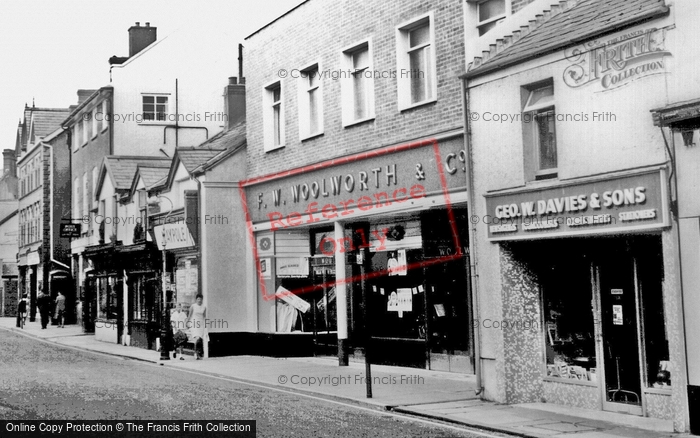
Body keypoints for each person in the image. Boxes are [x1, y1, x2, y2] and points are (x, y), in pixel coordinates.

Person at [187, 294, 207, 360]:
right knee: (197, 338)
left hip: (201, 324)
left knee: (199, 339)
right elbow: (189, 315)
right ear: (196, 300)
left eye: (201, 299)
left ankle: (198, 353)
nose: (199, 300)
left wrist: (205, 325)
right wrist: (187, 322)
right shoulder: (193, 306)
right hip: (194, 323)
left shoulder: (204, 307)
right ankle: (196, 353)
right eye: (198, 299)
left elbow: (204, 316)